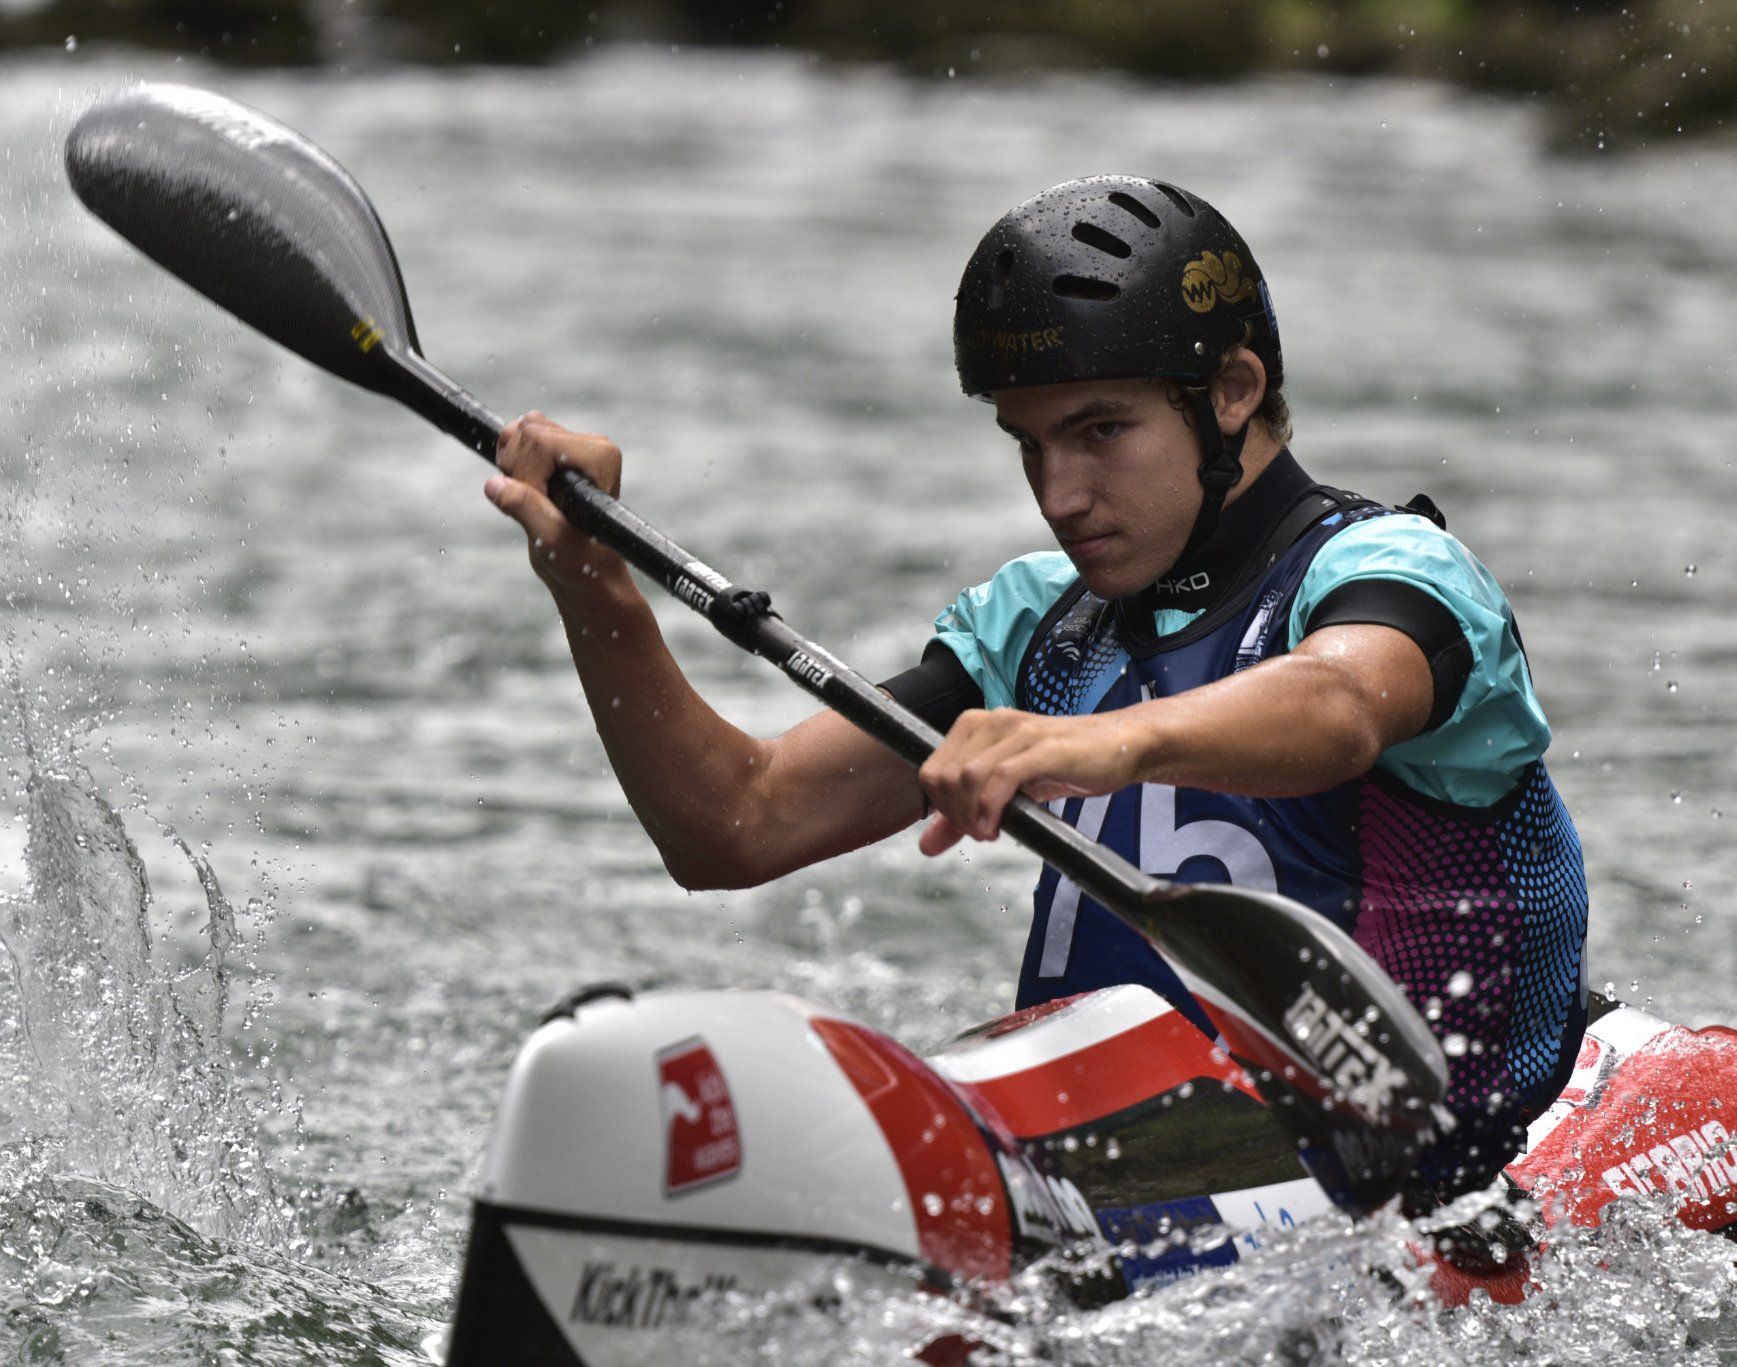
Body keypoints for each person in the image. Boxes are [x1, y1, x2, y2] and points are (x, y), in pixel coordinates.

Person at [482, 176, 1589, 1206]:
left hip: (1418, 1196)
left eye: (1100, 430)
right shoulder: (1040, 627)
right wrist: (594, 586)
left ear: (1232, 393)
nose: (1058, 493)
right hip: (1117, 1182)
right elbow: (737, 823)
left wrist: (1101, 745)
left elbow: (1341, 705)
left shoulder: (1390, 571)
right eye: (1027, 444)